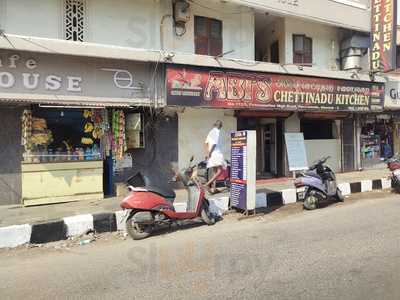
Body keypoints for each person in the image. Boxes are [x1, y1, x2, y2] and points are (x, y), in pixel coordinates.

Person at [204, 120, 226, 193]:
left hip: (211, 154)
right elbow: (214, 144)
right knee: (220, 171)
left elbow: (206, 143)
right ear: (220, 126)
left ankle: (213, 188)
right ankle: (207, 184)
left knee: (214, 171)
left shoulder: (210, 132)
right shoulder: (216, 132)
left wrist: (207, 153)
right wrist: (210, 153)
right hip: (216, 153)